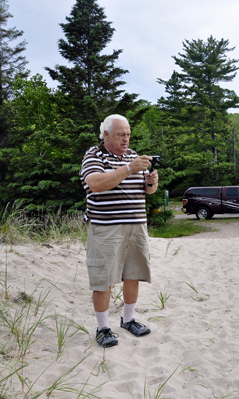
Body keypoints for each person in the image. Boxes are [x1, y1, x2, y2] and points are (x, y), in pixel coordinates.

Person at [79, 114, 159, 347]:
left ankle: (128, 320)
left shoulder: (134, 155)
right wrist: (128, 168)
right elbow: (95, 184)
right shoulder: (94, 156)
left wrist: (151, 182)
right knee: (103, 278)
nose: (126, 140)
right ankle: (103, 327)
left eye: (128, 135)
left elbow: (148, 191)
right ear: (106, 135)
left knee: (132, 273)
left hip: (136, 226)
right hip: (106, 228)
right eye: (121, 135)